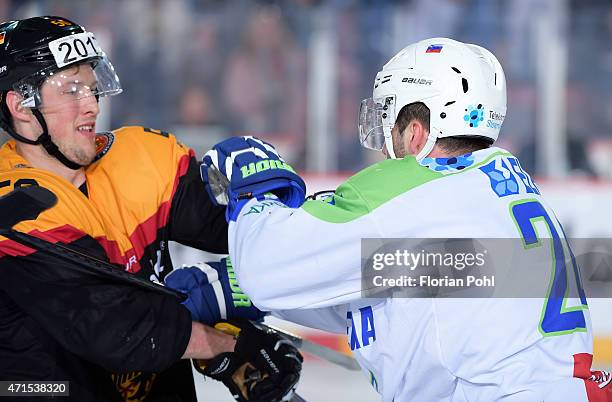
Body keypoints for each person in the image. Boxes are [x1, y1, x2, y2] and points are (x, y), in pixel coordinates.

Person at [187, 38, 612, 401]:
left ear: (417, 132)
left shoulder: (417, 184)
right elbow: (402, 294)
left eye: (391, 122)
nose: (385, 145)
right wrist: (241, 292)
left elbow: (268, 268)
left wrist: (252, 191)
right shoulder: (492, 187)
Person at [0, 16, 301, 402]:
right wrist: (223, 346)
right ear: (22, 106)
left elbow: (242, 236)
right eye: (72, 90)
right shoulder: (13, 210)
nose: (92, 105)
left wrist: (261, 202)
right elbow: (112, 326)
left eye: (93, 89)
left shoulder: (140, 157)